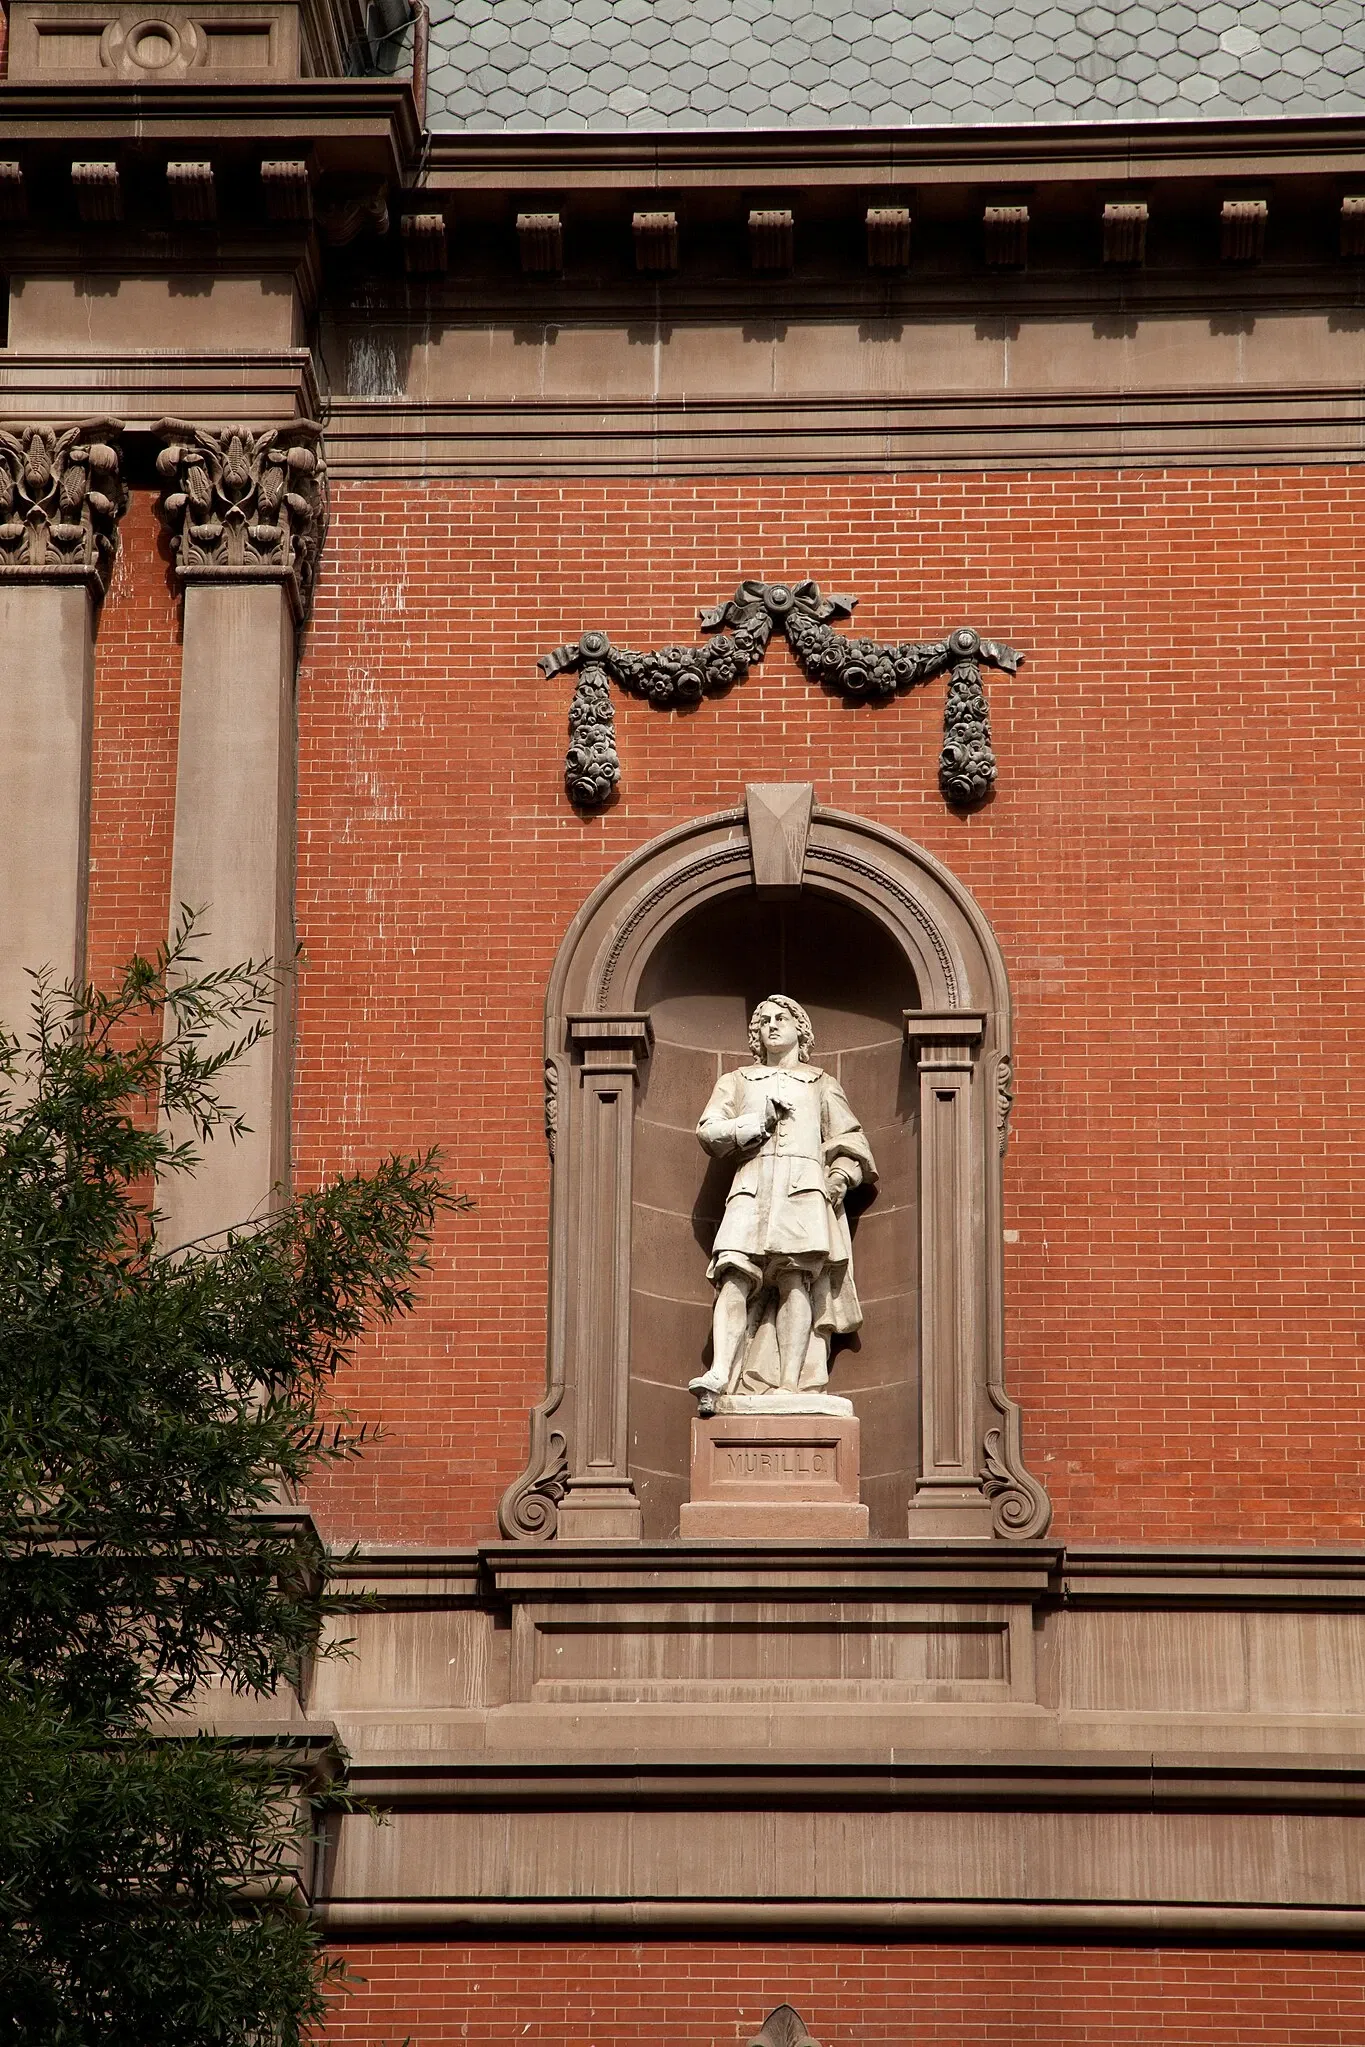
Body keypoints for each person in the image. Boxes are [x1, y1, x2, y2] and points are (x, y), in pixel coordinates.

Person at [689, 994, 877, 1415]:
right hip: (751, 1188)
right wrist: (757, 1122)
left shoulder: (821, 1082)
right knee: (734, 1274)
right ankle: (720, 1371)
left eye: (781, 1018)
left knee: (796, 1280)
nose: (771, 1025)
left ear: (800, 1030)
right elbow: (709, 1132)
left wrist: (841, 1176)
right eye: (763, 1021)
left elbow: (852, 1141)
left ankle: (789, 1383)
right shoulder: (737, 1081)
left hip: (803, 1189)